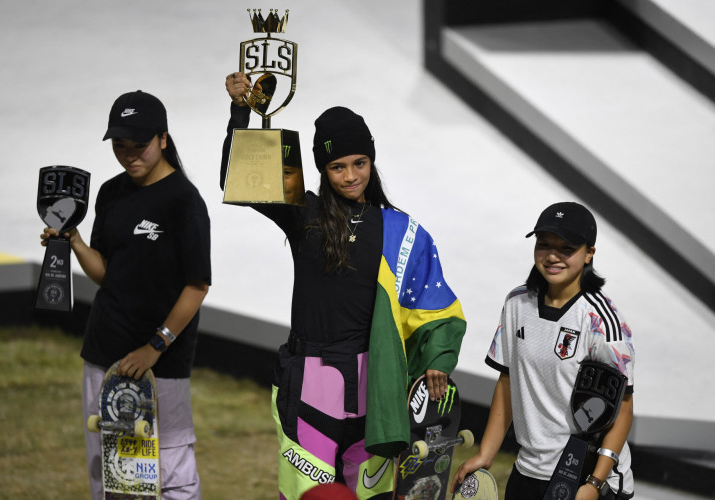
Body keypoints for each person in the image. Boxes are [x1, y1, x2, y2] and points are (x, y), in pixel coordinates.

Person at [221, 72, 467, 500]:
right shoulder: (304, 213)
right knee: (311, 496)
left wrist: (439, 358)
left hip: (376, 386)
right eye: (337, 166)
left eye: (360, 163)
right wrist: (241, 111)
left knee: (368, 495)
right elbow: (239, 178)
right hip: (308, 380)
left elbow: (435, 304)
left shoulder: (399, 229)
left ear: (372, 163)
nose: (351, 175)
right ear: (322, 169)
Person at [41, 90, 211, 499]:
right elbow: (108, 273)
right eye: (120, 145)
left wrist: (155, 347)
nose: (130, 154)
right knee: (110, 472)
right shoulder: (111, 192)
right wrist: (76, 243)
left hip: (160, 366)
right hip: (104, 353)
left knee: (171, 476)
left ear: (163, 139)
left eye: (140, 145)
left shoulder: (184, 201)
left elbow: (197, 285)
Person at [450, 202, 635, 500]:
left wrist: (595, 484)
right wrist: (486, 453)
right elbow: (508, 382)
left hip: (586, 478)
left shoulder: (602, 321)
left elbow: (623, 408)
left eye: (566, 248)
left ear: (589, 253)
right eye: (544, 244)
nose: (552, 256)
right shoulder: (516, 304)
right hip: (528, 470)